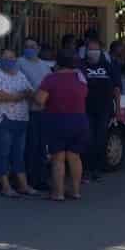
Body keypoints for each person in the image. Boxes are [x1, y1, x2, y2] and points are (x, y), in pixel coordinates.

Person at [34, 50, 88, 201]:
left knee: (58, 158)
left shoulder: (51, 79)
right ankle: (76, 191)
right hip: (80, 120)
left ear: (57, 63)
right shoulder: (80, 77)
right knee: (75, 157)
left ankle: (58, 193)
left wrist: (32, 94)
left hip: (57, 120)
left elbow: (40, 100)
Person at [0, 48, 38, 197]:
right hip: (1, 120)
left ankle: (23, 185)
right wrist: (16, 97)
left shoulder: (20, 75)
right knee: (3, 153)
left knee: (18, 154)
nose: (10, 61)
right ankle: (5, 186)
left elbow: (30, 92)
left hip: (20, 120)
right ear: (0, 59)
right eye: (6, 58)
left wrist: (30, 95)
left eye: (12, 58)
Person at [80, 38, 121, 182]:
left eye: (96, 49)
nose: (93, 52)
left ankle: (96, 169)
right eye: (90, 49)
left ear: (101, 51)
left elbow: (116, 88)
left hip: (104, 109)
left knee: (100, 139)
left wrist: (118, 109)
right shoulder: (81, 66)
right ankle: (85, 169)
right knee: (87, 139)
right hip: (85, 109)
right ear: (86, 51)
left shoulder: (108, 66)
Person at [17, 37, 52, 191]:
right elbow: (19, 86)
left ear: (38, 48)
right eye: (26, 46)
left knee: (41, 147)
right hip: (27, 111)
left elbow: (51, 86)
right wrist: (34, 97)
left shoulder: (45, 66)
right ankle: (29, 179)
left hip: (43, 111)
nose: (29, 49)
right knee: (30, 146)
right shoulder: (19, 63)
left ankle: (42, 179)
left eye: (32, 46)